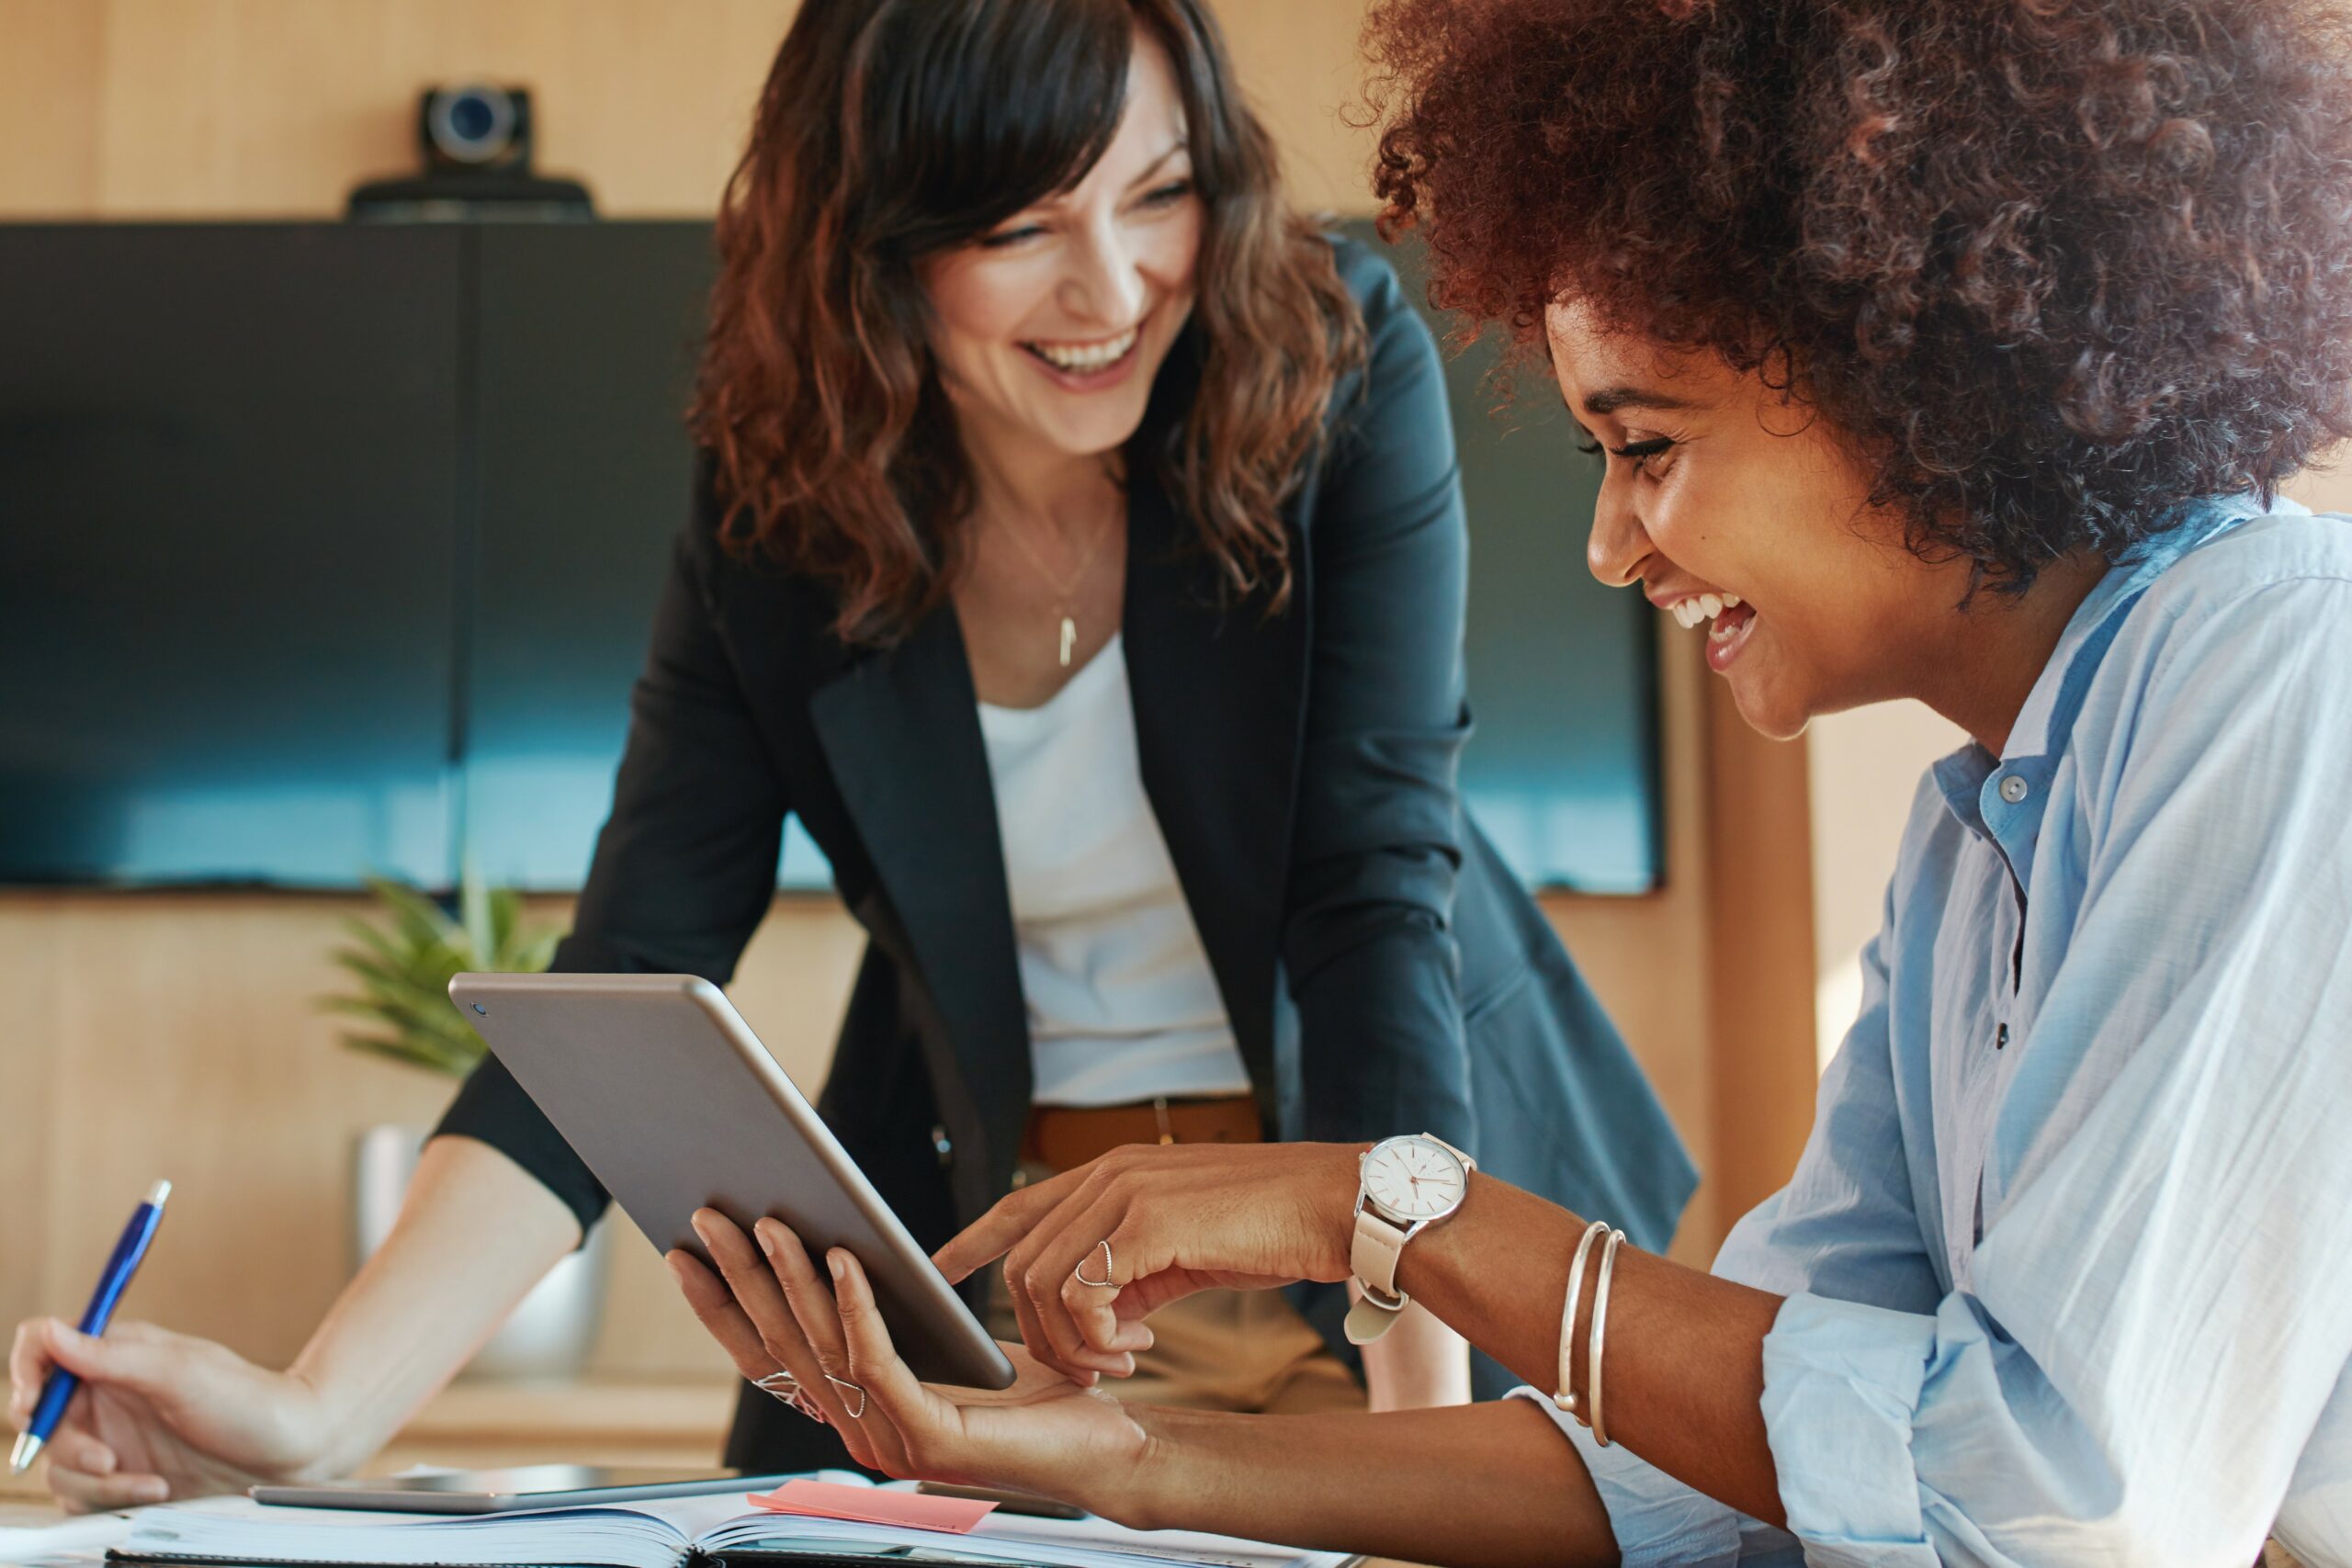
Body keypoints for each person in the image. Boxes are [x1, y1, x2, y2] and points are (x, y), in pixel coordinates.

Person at [659, 0, 2352, 1562]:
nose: (1614, 545)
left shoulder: (2278, 667)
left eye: (1649, 447)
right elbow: (1726, 1473)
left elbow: (2045, 1508)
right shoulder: (1970, 842)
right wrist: (1124, 1462)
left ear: (1918, 381)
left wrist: (1388, 1208)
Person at [6, 0, 1695, 1510]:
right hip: (1030, 1286)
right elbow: (630, 973)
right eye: (1022, 224)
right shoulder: (786, 505)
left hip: (1394, 1242)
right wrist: (311, 1415)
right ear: (877, 241)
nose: (1112, 287)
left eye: (1158, 192)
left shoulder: (1327, 363)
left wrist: (1424, 1439)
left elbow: (1368, 893)